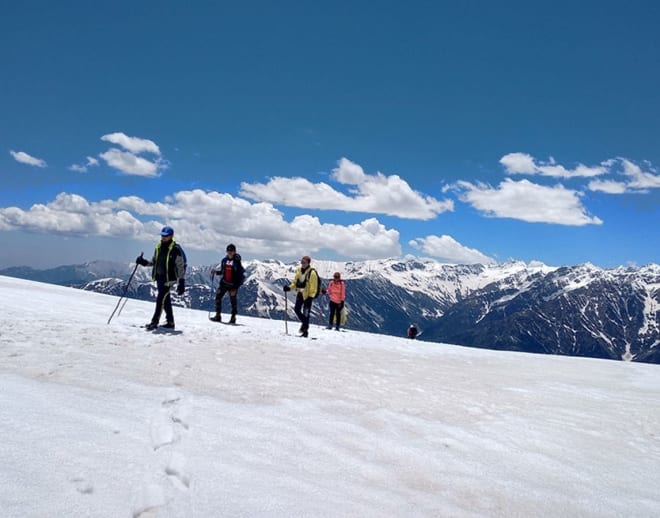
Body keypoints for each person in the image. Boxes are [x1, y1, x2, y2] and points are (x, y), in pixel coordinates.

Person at [136, 226, 187, 330]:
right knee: (165, 300)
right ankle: (170, 322)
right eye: (162, 235)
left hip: (169, 279)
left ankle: (154, 322)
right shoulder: (159, 247)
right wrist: (144, 262)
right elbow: (154, 262)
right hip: (159, 277)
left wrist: (181, 281)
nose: (163, 238)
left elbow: (180, 266)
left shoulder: (175, 249)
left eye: (166, 236)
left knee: (160, 299)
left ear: (171, 236)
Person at [283, 255, 319, 338]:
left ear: (308, 263)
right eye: (301, 262)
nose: (302, 264)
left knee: (306, 313)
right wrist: (289, 288)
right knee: (297, 310)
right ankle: (305, 324)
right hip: (300, 294)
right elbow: (296, 282)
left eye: (304, 262)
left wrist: (310, 297)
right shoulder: (299, 270)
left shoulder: (312, 273)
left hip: (307, 296)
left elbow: (314, 287)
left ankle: (305, 331)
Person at [209, 243, 245, 324]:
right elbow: (223, 272)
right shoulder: (224, 261)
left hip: (233, 285)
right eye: (228, 251)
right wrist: (216, 272)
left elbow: (240, 275)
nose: (230, 252)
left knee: (233, 302)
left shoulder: (237, 262)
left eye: (231, 251)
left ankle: (233, 317)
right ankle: (218, 315)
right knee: (218, 297)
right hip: (224, 283)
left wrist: (236, 286)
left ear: (234, 252)